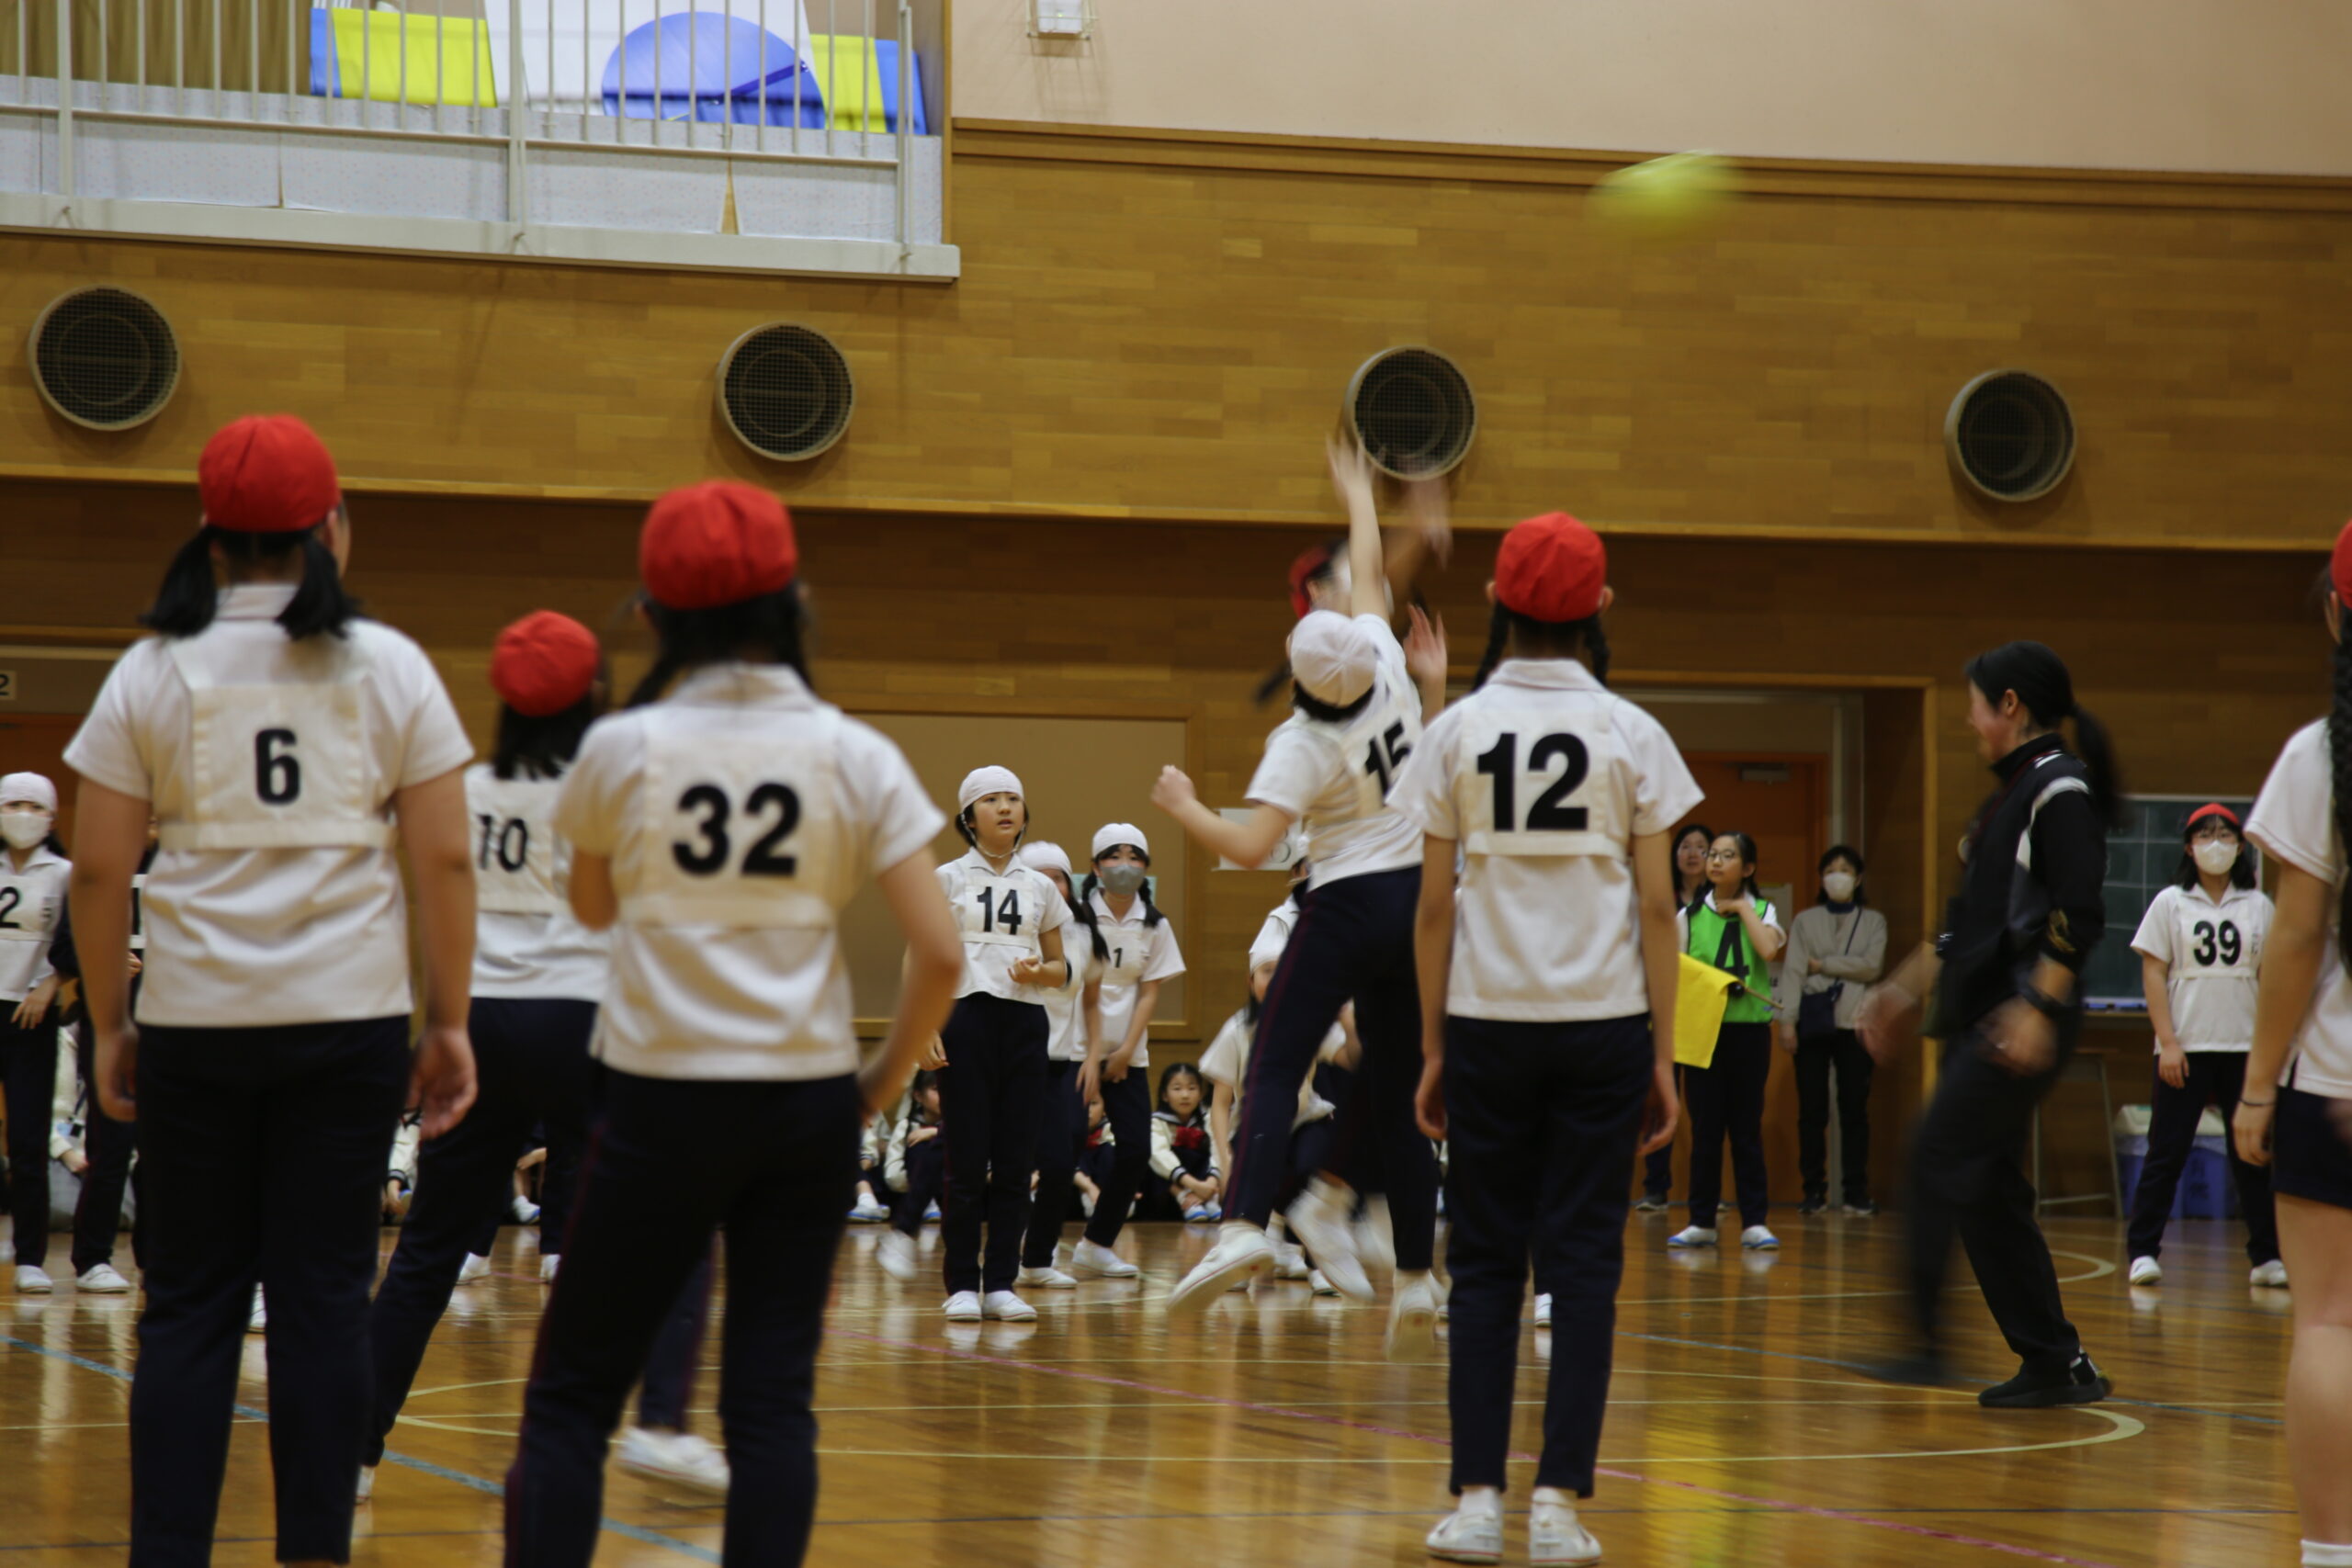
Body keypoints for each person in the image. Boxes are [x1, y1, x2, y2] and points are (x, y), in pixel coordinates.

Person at [504, 479, 965, 1568]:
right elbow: (943, 956)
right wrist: (878, 1082)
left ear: (654, 616)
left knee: (571, 1399)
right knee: (770, 1406)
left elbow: (590, 908)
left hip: (658, 1098)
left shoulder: (623, 746)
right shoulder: (853, 751)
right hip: (804, 1105)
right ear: (792, 604)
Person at [64, 413, 480, 1566]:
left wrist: (112, 1022)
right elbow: (444, 859)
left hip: (195, 1024)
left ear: (209, 535)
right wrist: (448, 1021)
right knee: (323, 1306)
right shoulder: (389, 664)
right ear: (332, 526)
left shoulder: (154, 668)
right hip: (346, 1030)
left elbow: (96, 870)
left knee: (190, 1309)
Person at [1392, 509, 1693, 1567]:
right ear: (1600, 607)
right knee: (1583, 1269)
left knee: (1482, 1266)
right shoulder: (1632, 732)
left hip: (1487, 1025)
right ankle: (1558, 1507)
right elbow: (1657, 910)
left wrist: (1433, 1045)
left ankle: (1478, 1502)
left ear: (1493, 601)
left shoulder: (1454, 731)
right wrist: (1662, 1054)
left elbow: (1433, 907)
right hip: (1603, 1030)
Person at [1155, 437, 1447, 1359]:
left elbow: (1250, 847)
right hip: (1415, 903)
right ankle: (1416, 1276)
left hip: (1346, 904)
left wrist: (1184, 806)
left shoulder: (1299, 743)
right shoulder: (1387, 666)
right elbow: (1368, 578)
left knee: (1276, 1063)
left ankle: (1245, 1225)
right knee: (1397, 1090)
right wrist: (1362, 494)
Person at [367, 610, 645, 1498]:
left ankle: (350, 1450)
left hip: (479, 1020)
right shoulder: (614, 787)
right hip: (582, 1021)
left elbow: (427, 909)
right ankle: (583, 1447)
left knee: (427, 1251)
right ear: (594, 692)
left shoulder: (464, 785)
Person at [1857, 639, 2119, 1408]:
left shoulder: (2058, 789)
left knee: (1936, 1153)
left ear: (2010, 705)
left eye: (1975, 704)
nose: (1968, 720)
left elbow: (2079, 912)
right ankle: (2057, 1361)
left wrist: (2038, 1006)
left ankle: (1925, 1345)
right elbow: (1964, 927)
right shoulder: (2006, 800)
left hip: (2022, 1017)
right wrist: (1896, 992)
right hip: (1988, 1018)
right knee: (1985, 1187)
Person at [2236, 525, 2352, 1568]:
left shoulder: (2320, 756)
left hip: (2338, 1083)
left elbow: (2299, 934)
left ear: (2335, 614)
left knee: (2330, 1324)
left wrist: (2258, 1085)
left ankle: (2329, 1555)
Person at [932, 767, 1073, 1323]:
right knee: (966, 1161)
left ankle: (1001, 1284)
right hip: (964, 1017)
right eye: (991, 800)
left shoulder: (1040, 886)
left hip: (1024, 1023)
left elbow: (1061, 969)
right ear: (969, 817)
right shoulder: (946, 878)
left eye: (1013, 798)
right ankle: (962, 1283)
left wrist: (1039, 972)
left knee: (1016, 1162)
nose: (1006, 807)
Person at [2127, 804, 2282, 1288]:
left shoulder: (2259, 905)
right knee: (2166, 1152)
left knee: (2251, 1153)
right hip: (2186, 1047)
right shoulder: (2171, 903)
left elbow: (2274, 978)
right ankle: (2143, 1252)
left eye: (2225, 835)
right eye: (2205, 835)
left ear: (2240, 846)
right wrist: (2168, 1042)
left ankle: (2266, 1257)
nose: (2216, 844)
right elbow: (2153, 973)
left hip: (2244, 1047)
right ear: (2189, 847)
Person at [1069, 823, 1185, 1273]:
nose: (1125, 865)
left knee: (1136, 1150)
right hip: (1076, 1052)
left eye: (1135, 857)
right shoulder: (1076, 919)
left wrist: (1123, 1052)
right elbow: (1081, 991)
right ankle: (1034, 1248)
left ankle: (1098, 1242)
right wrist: (1094, 1053)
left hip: (1128, 1056)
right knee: (1061, 1149)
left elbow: (1149, 993)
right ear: (1096, 868)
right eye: (1114, 856)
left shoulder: (1155, 924)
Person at [1668, 832, 1783, 1251]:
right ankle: (1701, 1220)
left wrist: (1741, 908)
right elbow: (1677, 972)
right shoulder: (1688, 916)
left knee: (1746, 1129)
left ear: (1748, 868)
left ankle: (1754, 1221)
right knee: (1705, 1130)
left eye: (1727, 856)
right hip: (1704, 1031)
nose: (1715, 861)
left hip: (1749, 1032)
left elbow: (1768, 950)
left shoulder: (1765, 911)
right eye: (1713, 854)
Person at [1777, 845, 1889, 1217]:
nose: (1837, 876)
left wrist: (1823, 964)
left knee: (1854, 1109)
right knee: (1812, 1111)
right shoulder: (1805, 921)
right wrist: (1787, 1021)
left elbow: (1872, 966)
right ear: (1821, 879)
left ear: (1857, 879)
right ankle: (1813, 1190)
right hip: (1812, 1021)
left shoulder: (1873, 921)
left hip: (1856, 1023)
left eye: (1845, 870)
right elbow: (1794, 970)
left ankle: (1856, 1191)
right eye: (1829, 870)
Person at [0, 773, 71, 1293]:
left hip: (31, 1016)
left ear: (51, 816)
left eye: (35, 805)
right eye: (13, 804)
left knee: (27, 1139)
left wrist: (51, 985)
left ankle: (30, 1256)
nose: (24, 814)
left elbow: (79, 940)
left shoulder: (65, 873)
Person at [1012, 840, 1090, 1291]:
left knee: (1060, 1166)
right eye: (1040, 878)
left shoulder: (1081, 934)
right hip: (1011, 1061)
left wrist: (1092, 1055)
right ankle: (995, 1268)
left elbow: (1082, 989)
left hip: (1058, 1063)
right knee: (1006, 1167)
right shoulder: (1009, 932)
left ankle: (1037, 1259)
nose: (1050, 885)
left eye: (1057, 877)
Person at [1635, 821, 1714, 1215]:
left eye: (1702, 847)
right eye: (1686, 845)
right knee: (1657, 1099)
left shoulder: (1719, 902)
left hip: (1703, 1011)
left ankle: (1706, 1192)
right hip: (1660, 1008)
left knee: (1704, 1108)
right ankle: (1655, 1189)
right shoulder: (1657, 896)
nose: (1693, 853)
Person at [879, 1069, 947, 1276]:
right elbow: (893, 1173)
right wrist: (918, 1184)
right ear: (918, 1095)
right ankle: (912, 1218)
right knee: (922, 1150)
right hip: (912, 1190)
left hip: (955, 1193)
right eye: (936, 1089)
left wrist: (935, 1132)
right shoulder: (907, 1126)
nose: (944, 1095)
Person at [1149, 1063, 1220, 1220]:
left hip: (1205, 1184)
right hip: (1170, 1192)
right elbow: (1159, 1154)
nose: (1185, 1095)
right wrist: (1194, 1186)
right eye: (1177, 1089)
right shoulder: (1156, 1122)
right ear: (1164, 1095)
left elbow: (1218, 1150)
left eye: (1192, 1088)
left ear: (1201, 1094)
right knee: (1152, 1159)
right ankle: (1185, 1199)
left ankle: (1210, 1200)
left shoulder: (1208, 1119)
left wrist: (1210, 1184)